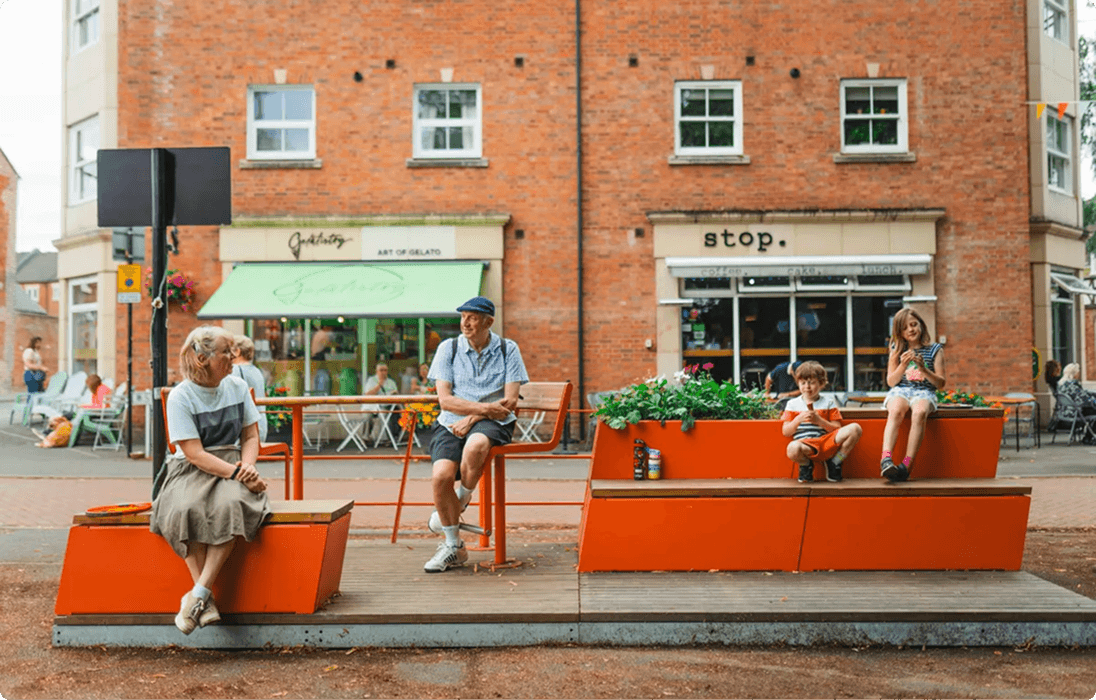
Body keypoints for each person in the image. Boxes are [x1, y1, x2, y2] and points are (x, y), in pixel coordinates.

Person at [151, 326, 270, 635]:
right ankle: (204, 598)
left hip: (234, 463)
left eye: (232, 351)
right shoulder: (181, 396)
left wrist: (248, 467)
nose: (233, 358)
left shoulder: (237, 386)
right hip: (192, 469)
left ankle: (198, 595)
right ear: (202, 358)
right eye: (225, 352)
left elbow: (251, 435)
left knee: (231, 505)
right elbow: (193, 453)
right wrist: (238, 473)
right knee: (183, 508)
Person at [423, 296, 528, 573]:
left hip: (494, 421)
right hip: (452, 421)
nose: (465, 323)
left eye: (472, 317)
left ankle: (460, 501)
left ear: (488, 322)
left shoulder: (508, 349)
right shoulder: (449, 348)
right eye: (463, 317)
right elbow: (445, 400)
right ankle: (453, 547)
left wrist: (474, 416)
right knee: (441, 476)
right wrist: (480, 410)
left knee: (476, 445)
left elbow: (510, 401)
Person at [880, 308, 946, 482]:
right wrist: (903, 365)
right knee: (896, 411)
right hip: (900, 390)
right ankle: (886, 459)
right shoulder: (896, 348)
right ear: (899, 332)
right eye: (905, 327)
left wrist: (923, 369)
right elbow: (891, 381)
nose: (910, 329)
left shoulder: (935, 350)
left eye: (914, 324)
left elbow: (940, 383)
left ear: (921, 326)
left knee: (920, 412)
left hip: (924, 391)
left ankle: (907, 464)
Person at [782, 361, 862, 483]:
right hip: (805, 445)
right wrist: (798, 419)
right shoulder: (792, 404)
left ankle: (835, 462)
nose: (807, 387)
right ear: (798, 384)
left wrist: (819, 421)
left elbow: (836, 428)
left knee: (855, 428)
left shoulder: (828, 402)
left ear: (821, 383)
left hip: (826, 443)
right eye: (803, 383)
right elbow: (786, 431)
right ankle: (806, 465)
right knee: (792, 448)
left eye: (812, 383)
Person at [231, 335, 269, 442]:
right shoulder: (257, 371)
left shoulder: (235, 370)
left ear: (237, 351)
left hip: (246, 434)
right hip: (261, 428)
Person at [363, 363, 399, 444]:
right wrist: (379, 384)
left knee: (385, 414)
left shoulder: (391, 382)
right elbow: (368, 394)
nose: (383, 372)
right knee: (366, 416)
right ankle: (365, 438)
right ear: (376, 371)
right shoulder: (371, 380)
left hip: (385, 405)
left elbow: (396, 394)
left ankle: (384, 439)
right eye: (381, 370)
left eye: (385, 370)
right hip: (371, 406)